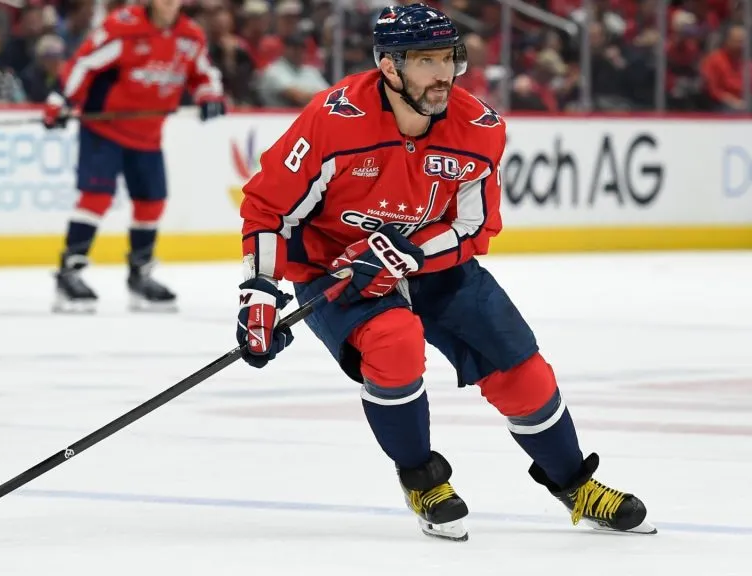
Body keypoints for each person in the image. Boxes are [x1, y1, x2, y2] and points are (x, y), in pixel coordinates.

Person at [234, 4, 655, 541]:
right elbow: (269, 209)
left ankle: (575, 483)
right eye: (425, 60)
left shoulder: (478, 127)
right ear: (388, 67)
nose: (444, 74)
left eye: (449, 58)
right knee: (393, 342)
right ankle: (422, 479)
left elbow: (476, 226)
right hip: (338, 265)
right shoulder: (332, 121)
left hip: (435, 262)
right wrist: (259, 297)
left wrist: (408, 253)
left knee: (522, 370)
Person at [43, 0, 226, 313]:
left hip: (148, 134)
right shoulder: (123, 27)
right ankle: (69, 273)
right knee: (96, 197)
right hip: (105, 128)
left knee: (151, 201)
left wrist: (209, 95)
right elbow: (85, 62)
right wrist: (61, 99)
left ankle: (140, 276)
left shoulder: (190, 36)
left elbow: (204, 74)